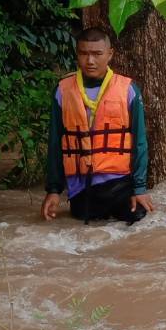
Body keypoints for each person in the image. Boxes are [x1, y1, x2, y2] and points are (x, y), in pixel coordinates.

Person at [41, 27, 154, 224]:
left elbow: (139, 142)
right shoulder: (62, 91)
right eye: (84, 54)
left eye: (97, 54)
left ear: (110, 54)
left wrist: (140, 189)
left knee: (138, 220)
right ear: (77, 54)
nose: (90, 61)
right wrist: (53, 190)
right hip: (82, 188)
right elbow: (55, 144)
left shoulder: (128, 90)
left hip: (120, 184)